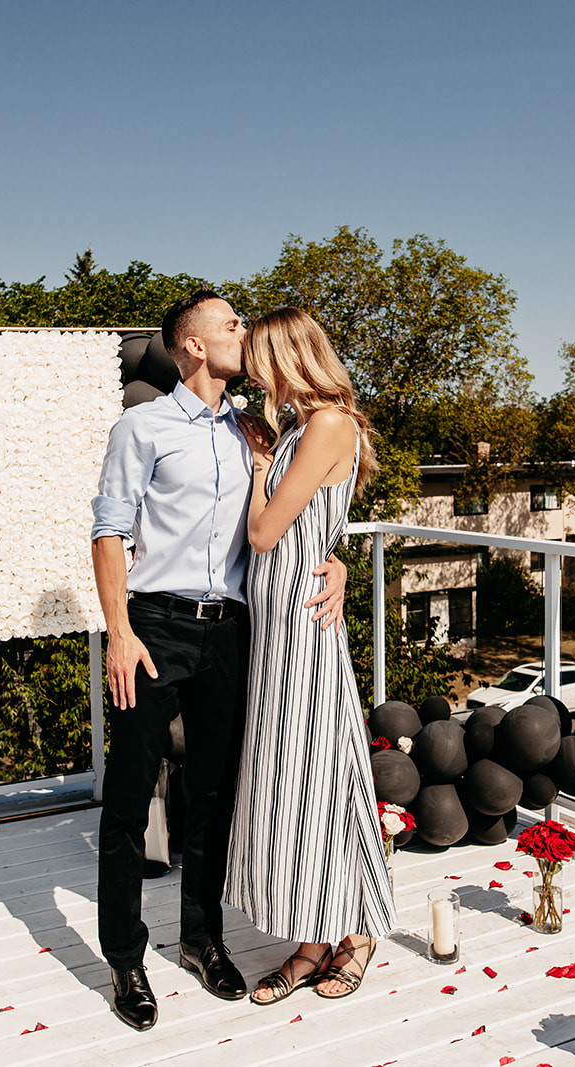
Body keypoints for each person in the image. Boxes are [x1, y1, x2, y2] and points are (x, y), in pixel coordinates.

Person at [89, 290, 345, 1031]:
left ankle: (202, 939)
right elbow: (109, 531)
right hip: (153, 627)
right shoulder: (141, 427)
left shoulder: (258, 430)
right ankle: (124, 958)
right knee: (131, 797)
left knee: (213, 796)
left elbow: (301, 511)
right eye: (231, 322)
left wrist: (336, 562)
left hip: (233, 629)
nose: (245, 330)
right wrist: (119, 630)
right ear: (192, 345)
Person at [223, 306, 396, 1005]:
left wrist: (261, 461)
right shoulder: (303, 425)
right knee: (300, 777)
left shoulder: (327, 424)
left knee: (309, 779)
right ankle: (324, 933)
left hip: (300, 622)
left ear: (290, 355)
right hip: (278, 620)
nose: (255, 372)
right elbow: (310, 529)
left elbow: (265, 533)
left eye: (261, 357)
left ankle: (334, 937)